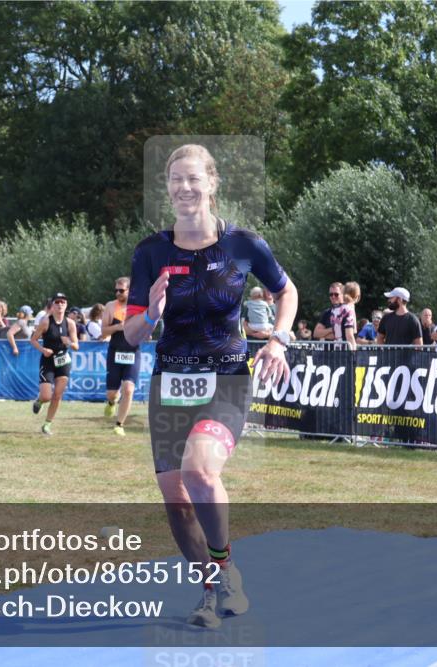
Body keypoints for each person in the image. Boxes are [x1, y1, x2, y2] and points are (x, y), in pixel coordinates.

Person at [122, 144, 297, 628]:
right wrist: (152, 314)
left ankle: (224, 569)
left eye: (193, 178)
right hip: (170, 380)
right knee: (177, 502)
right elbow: (133, 333)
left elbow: (287, 290)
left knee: (200, 470)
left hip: (226, 376)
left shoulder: (243, 244)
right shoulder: (150, 251)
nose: (184, 188)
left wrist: (279, 340)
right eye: (175, 179)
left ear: (213, 183)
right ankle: (212, 585)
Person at [29, 292, 79, 435]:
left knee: (57, 395)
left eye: (63, 302)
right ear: (52, 305)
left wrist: (68, 342)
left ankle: (47, 424)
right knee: (46, 396)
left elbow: (76, 346)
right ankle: (39, 401)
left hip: (63, 360)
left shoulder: (70, 323)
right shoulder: (46, 321)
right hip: (48, 361)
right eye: (57, 302)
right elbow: (33, 340)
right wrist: (43, 349)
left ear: (66, 305)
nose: (60, 305)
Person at [101, 277, 140, 436]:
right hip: (115, 352)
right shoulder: (111, 306)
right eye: (116, 290)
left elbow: (147, 326)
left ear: (130, 290)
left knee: (129, 389)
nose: (118, 293)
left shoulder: (138, 306)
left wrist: (144, 332)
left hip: (133, 351)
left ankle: (119, 424)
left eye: (121, 290)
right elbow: (103, 332)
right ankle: (111, 402)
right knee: (112, 393)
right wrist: (118, 326)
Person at [332, 281, 360, 349]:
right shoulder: (348, 310)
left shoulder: (335, 309)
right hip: (346, 350)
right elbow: (349, 335)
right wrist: (354, 350)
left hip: (336, 347)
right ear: (357, 296)